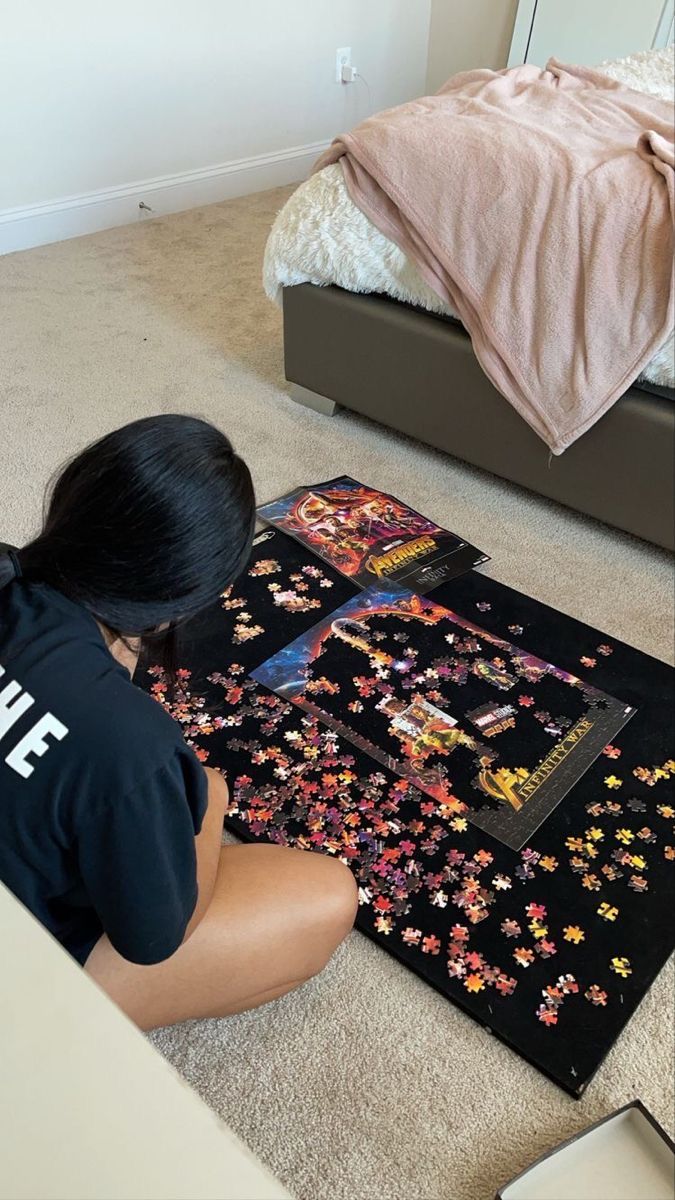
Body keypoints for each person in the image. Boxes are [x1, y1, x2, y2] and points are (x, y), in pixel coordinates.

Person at [0, 415, 357, 1030]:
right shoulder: (131, 748)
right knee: (327, 895)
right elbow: (154, 936)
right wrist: (209, 801)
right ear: (187, 597)